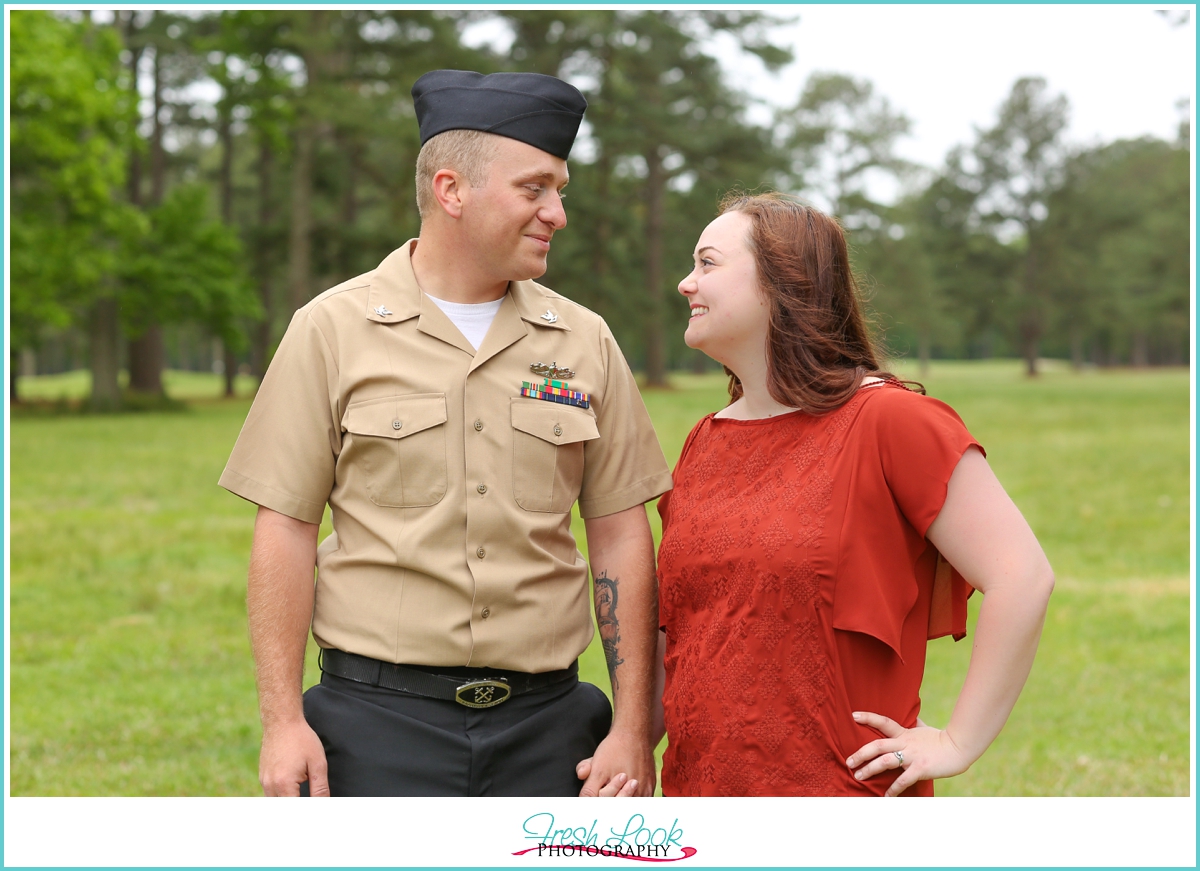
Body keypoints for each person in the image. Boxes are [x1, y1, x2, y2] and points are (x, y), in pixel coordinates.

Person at [219, 70, 672, 797]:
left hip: (554, 734)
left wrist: (629, 727)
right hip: (372, 730)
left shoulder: (585, 339)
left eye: (560, 191)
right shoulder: (330, 330)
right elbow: (286, 527)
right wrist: (281, 721)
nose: (557, 212)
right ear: (452, 190)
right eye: (535, 188)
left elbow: (621, 532)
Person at [652, 192, 1054, 796]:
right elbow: (681, 632)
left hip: (838, 801)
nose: (686, 283)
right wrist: (632, 740)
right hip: (698, 803)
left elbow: (1021, 576)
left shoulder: (892, 420)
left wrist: (958, 741)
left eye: (707, 263)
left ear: (781, 283)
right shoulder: (704, 442)